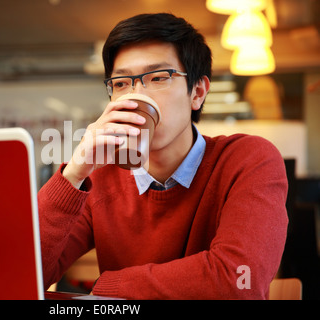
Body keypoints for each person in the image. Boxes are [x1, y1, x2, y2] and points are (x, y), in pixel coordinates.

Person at [38, 12, 288, 299]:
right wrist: (75, 172)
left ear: (197, 92)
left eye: (158, 77)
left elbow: (240, 281)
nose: (136, 94)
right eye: (121, 83)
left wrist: (111, 288)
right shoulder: (101, 176)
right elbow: (23, 272)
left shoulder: (248, 160)